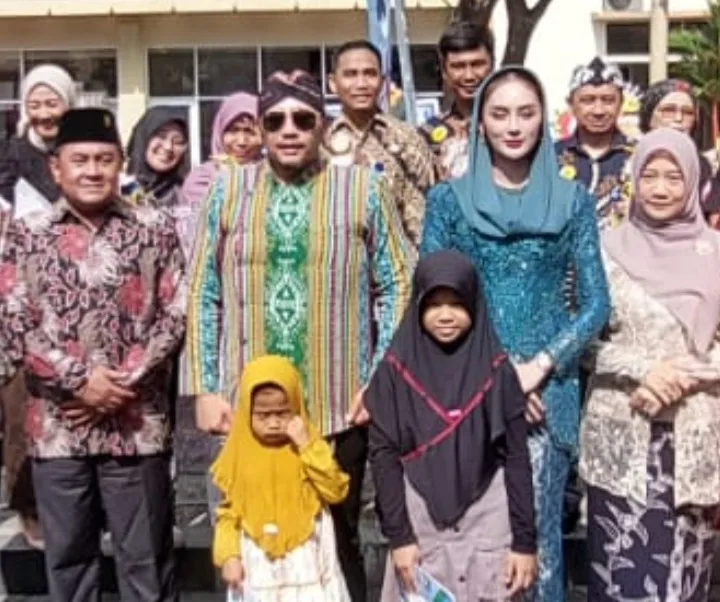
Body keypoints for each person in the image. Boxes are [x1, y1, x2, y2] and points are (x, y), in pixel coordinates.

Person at [185, 70, 413, 602]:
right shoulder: (228, 190)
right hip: (247, 410)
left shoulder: (362, 188)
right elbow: (201, 289)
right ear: (261, 129)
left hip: (337, 407)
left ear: (322, 125)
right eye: (275, 120)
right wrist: (205, 387)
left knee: (338, 541)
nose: (289, 130)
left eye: (303, 119)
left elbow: (399, 282)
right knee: (247, 544)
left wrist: (380, 379)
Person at [420, 66, 611, 601]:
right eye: (499, 113)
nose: (513, 126)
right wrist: (497, 375)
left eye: (526, 113)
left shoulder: (573, 201)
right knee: (469, 539)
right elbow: (434, 298)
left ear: (543, 119)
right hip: (466, 388)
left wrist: (540, 365)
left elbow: (596, 303)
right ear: (479, 122)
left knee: (540, 544)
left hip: (546, 395)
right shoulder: (447, 202)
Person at [0, 108, 186, 602]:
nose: (92, 170)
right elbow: (14, 316)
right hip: (59, 427)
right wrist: (80, 382)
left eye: (104, 159)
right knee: (69, 563)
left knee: (147, 563)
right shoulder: (27, 233)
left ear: (120, 164)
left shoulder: (155, 227)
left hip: (137, 425)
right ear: (56, 167)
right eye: (79, 160)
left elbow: (176, 311)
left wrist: (123, 382)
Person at [580, 128, 720, 602]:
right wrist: (644, 369)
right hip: (622, 436)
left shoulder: (715, 252)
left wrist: (684, 374)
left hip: (695, 444)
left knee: (684, 583)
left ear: (694, 183)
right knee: (622, 578)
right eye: (650, 176)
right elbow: (581, 341)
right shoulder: (604, 250)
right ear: (634, 179)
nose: (660, 189)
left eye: (674, 178)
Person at [367, 250, 537, 602]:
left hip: (488, 521)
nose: (445, 315)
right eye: (433, 305)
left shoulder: (497, 372)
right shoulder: (394, 374)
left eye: (457, 304)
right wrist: (399, 537)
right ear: (417, 306)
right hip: (420, 523)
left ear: (474, 304)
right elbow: (384, 458)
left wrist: (524, 542)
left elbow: (517, 458)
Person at [0, 64, 76, 549]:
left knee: (73, 413)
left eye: (53, 102)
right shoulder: (8, 159)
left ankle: (76, 509)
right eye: (36, 103)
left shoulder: (83, 153)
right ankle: (28, 509)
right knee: (20, 414)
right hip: (19, 310)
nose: (45, 113)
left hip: (77, 310)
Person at [212, 355, 350, 602]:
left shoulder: (308, 444)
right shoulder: (238, 454)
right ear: (246, 412)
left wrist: (306, 446)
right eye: (263, 416)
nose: (274, 423)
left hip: (307, 561)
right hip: (257, 565)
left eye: (282, 414)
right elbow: (228, 513)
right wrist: (229, 555)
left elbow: (335, 491)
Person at [325, 40, 435, 247]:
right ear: (332, 83)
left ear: (383, 82)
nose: (361, 84)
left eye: (370, 74)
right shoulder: (321, 144)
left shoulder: (407, 139)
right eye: (350, 74)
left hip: (401, 260)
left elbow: (427, 204)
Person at [179, 92, 261, 258]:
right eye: (233, 130)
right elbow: (198, 238)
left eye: (250, 132)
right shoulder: (201, 179)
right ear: (219, 131)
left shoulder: (273, 175)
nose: (241, 141)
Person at [556, 57, 634, 230]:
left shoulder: (640, 155)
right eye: (588, 100)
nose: (598, 110)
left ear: (621, 103)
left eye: (608, 100)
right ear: (571, 104)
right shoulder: (550, 157)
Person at [419, 21, 495, 180]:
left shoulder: (514, 127)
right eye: (458, 66)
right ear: (444, 72)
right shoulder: (427, 134)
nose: (469, 76)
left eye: (477, 64)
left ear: (492, 66)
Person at [638, 78, 720, 224]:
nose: (678, 118)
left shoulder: (703, 167)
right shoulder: (628, 159)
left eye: (688, 113)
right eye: (668, 110)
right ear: (649, 116)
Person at [123, 105, 189, 210]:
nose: (168, 147)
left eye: (178, 141)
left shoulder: (187, 196)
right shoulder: (113, 191)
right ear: (143, 139)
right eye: (161, 136)